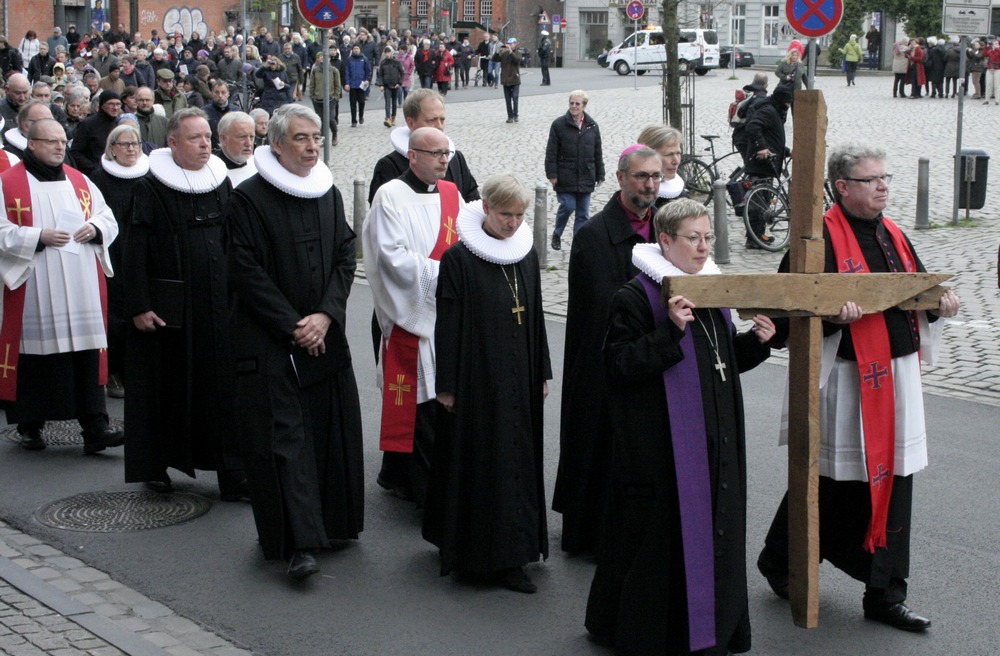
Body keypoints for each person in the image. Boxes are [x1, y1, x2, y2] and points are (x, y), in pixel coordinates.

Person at [756, 144, 960, 633]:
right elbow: (785, 316)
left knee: (895, 481)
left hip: (897, 378)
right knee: (830, 481)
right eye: (871, 180)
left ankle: (884, 594)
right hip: (844, 381)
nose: (883, 186)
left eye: (885, 177)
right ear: (842, 187)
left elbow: (917, 292)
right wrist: (828, 317)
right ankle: (784, 561)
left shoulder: (894, 234)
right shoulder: (816, 241)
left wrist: (938, 306)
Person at [585, 198, 774, 655]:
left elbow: (720, 363)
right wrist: (669, 330)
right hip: (663, 449)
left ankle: (717, 628)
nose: (703, 247)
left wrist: (758, 343)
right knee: (660, 544)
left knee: (719, 534)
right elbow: (618, 366)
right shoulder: (636, 296)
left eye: (708, 237)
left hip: (719, 441)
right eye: (693, 238)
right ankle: (661, 634)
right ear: (664, 240)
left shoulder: (714, 292)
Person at [226, 104, 364, 581]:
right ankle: (296, 544)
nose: (311, 147)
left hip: (324, 335)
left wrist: (326, 314)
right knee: (285, 443)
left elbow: (346, 253)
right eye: (302, 139)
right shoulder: (246, 199)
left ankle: (334, 525)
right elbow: (246, 271)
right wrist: (294, 325)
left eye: (317, 139)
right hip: (270, 341)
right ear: (277, 145)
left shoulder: (327, 193)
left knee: (330, 431)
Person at [422, 174, 551, 593]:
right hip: (479, 377)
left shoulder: (525, 254)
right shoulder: (460, 259)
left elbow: (535, 313)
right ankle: (479, 555)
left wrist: (543, 370)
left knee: (518, 459)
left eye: (519, 216)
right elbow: (448, 324)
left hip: (521, 373)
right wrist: (447, 384)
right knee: (484, 461)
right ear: (486, 208)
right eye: (506, 214)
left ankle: (516, 551)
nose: (513, 224)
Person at [123, 107, 245, 499]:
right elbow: (134, 251)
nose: (205, 143)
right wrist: (139, 305)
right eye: (195, 138)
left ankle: (231, 472)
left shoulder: (220, 181)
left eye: (208, 136)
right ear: (172, 143)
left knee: (223, 391)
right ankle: (156, 465)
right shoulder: (149, 188)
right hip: (170, 310)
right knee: (166, 388)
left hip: (217, 304)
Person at [552, 145, 663, 554]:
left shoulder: (663, 226)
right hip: (603, 358)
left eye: (655, 177)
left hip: (648, 357)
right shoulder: (593, 235)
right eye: (641, 177)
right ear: (620, 179)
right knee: (599, 448)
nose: (649, 185)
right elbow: (603, 306)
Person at [0, 118, 124, 454]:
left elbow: (106, 216)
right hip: (37, 283)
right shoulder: (8, 183)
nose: (59, 147)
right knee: (37, 357)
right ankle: (30, 426)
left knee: (85, 354)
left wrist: (95, 229)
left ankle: (95, 428)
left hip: (80, 281)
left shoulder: (79, 180)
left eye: (62, 141)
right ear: (32, 143)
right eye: (51, 141)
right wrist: (36, 236)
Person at [362, 127, 465, 509]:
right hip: (414, 315)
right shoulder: (389, 195)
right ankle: (426, 493)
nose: (443, 160)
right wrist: (445, 278)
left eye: (447, 154)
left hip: (449, 317)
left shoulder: (453, 194)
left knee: (445, 404)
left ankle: (403, 476)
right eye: (435, 153)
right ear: (412, 155)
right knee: (420, 407)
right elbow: (389, 258)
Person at [88, 124, 148, 399]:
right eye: (124, 144)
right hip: (112, 254)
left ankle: (136, 369)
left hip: (142, 251)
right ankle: (112, 371)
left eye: (135, 143)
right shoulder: (98, 179)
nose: (131, 149)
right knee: (114, 314)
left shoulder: (149, 176)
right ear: (112, 148)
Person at [367, 88, 478, 205]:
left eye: (442, 119)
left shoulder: (456, 159)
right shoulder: (389, 165)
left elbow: (473, 202)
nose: (439, 126)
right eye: (431, 120)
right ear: (411, 123)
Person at [545, 89, 604, 250]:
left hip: (586, 175)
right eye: (571, 103)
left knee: (583, 214)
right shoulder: (558, 125)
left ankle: (578, 243)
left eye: (577, 103)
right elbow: (551, 151)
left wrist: (600, 174)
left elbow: (597, 151)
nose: (574, 106)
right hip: (565, 176)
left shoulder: (592, 126)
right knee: (568, 205)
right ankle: (557, 233)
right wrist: (552, 173)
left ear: (584, 105)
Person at [742, 81, 793, 248]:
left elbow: (771, 137)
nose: (788, 105)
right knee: (758, 203)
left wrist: (785, 152)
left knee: (763, 201)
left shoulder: (774, 111)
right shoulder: (769, 111)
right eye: (787, 102)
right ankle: (753, 238)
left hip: (766, 163)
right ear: (781, 100)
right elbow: (752, 127)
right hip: (760, 163)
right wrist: (762, 148)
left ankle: (759, 235)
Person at [70, 89, 122, 175]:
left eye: (118, 104)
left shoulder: (120, 123)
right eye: (111, 104)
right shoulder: (87, 124)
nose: (115, 108)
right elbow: (76, 152)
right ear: (102, 105)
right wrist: (94, 168)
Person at [636, 124, 687, 209]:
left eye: (678, 153)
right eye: (668, 154)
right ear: (648, 156)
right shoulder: (637, 199)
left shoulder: (679, 191)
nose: (676, 161)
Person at [215, 111, 257, 186]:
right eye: (242, 137)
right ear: (223, 139)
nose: (249, 143)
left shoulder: (257, 165)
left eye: (251, 137)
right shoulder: (212, 171)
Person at [310, 49, 341, 146]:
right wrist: (312, 96)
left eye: (325, 57)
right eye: (321, 57)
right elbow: (312, 84)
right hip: (318, 99)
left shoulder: (334, 70)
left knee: (331, 118)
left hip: (330, 98)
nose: (323, 59)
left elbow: (337, 85)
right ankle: (322, 138)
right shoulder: (315, 70)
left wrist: (336, 96)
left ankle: (334, 134)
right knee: (320, 120)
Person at [203, 79, 238, 148]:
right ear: (212, 93)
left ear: (228, 94)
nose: (220, 95)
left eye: (223, 92)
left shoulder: (237, 112)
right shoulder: (204, 112)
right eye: (217, 92)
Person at [343, 44, 370, 126]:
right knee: (353, 103)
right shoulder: (349, 59)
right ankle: (353, 120)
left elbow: (368, 71)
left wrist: (367, 80)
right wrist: (347, 83)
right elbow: (347, 72)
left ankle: (361, 116)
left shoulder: (364, 59)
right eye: (354, 48)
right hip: (352, 84)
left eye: (357, 48)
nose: (356, 50)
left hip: (361, 84)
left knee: (362, 102)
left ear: (360, 49)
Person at [377, 46, 404, 127]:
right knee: (387, 102)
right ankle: (387, 118)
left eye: (389, 52)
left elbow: (402, 73)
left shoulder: (397, 62)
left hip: (395, 85)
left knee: (394, 102)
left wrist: (399, 83)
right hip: (386, 85)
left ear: (392, 53)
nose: (387, 54)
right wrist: (381, 84)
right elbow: (380, 75)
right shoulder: (383, 62)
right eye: (386, 53)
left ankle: (393, 117)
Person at [496, 38, 521, 123]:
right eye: (508, 44)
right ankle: (510, 116)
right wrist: (498, 51)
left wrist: (511, 52)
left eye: (511, 44)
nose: (510, 45)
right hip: (506, 79)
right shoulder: (504, 54)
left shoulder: (517, 53)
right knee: (507, 99)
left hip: (515, 79)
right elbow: (495, 59)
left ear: (515, 44)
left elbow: (517, 60)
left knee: (515, 97)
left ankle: (515, 115)